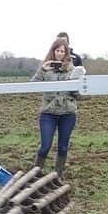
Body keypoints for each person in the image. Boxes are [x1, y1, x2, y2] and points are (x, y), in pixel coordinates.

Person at [32, 37, 80, 177]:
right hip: (49, 113)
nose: (59, 53)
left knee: (63, 147)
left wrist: (75, 83)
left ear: (66, 53)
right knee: (45, 146)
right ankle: (36, 173)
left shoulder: (72, 70)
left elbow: (81, 94)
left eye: (62, 51)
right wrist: (42, 70)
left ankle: (58, 175)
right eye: (57, 50)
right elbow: (32, 86)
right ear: (53, 52)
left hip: (67, 113)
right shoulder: (45, 69)